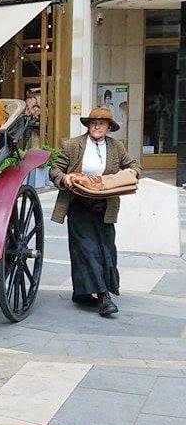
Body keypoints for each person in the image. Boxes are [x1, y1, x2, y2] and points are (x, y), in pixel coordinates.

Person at [49, 107, 141, 317]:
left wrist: (131, 173)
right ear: (88, 125)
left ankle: (81, 293)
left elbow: (134, 165)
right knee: (87, 249)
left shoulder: (116, 147)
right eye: (93, 122)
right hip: (79, 204)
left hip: (105, 206)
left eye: (102, 123)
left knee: (106, 248)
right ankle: (103, 297)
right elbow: (55, 168)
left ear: (109, 127)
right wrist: (64, 178)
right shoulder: (73, 145)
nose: (97, 126)